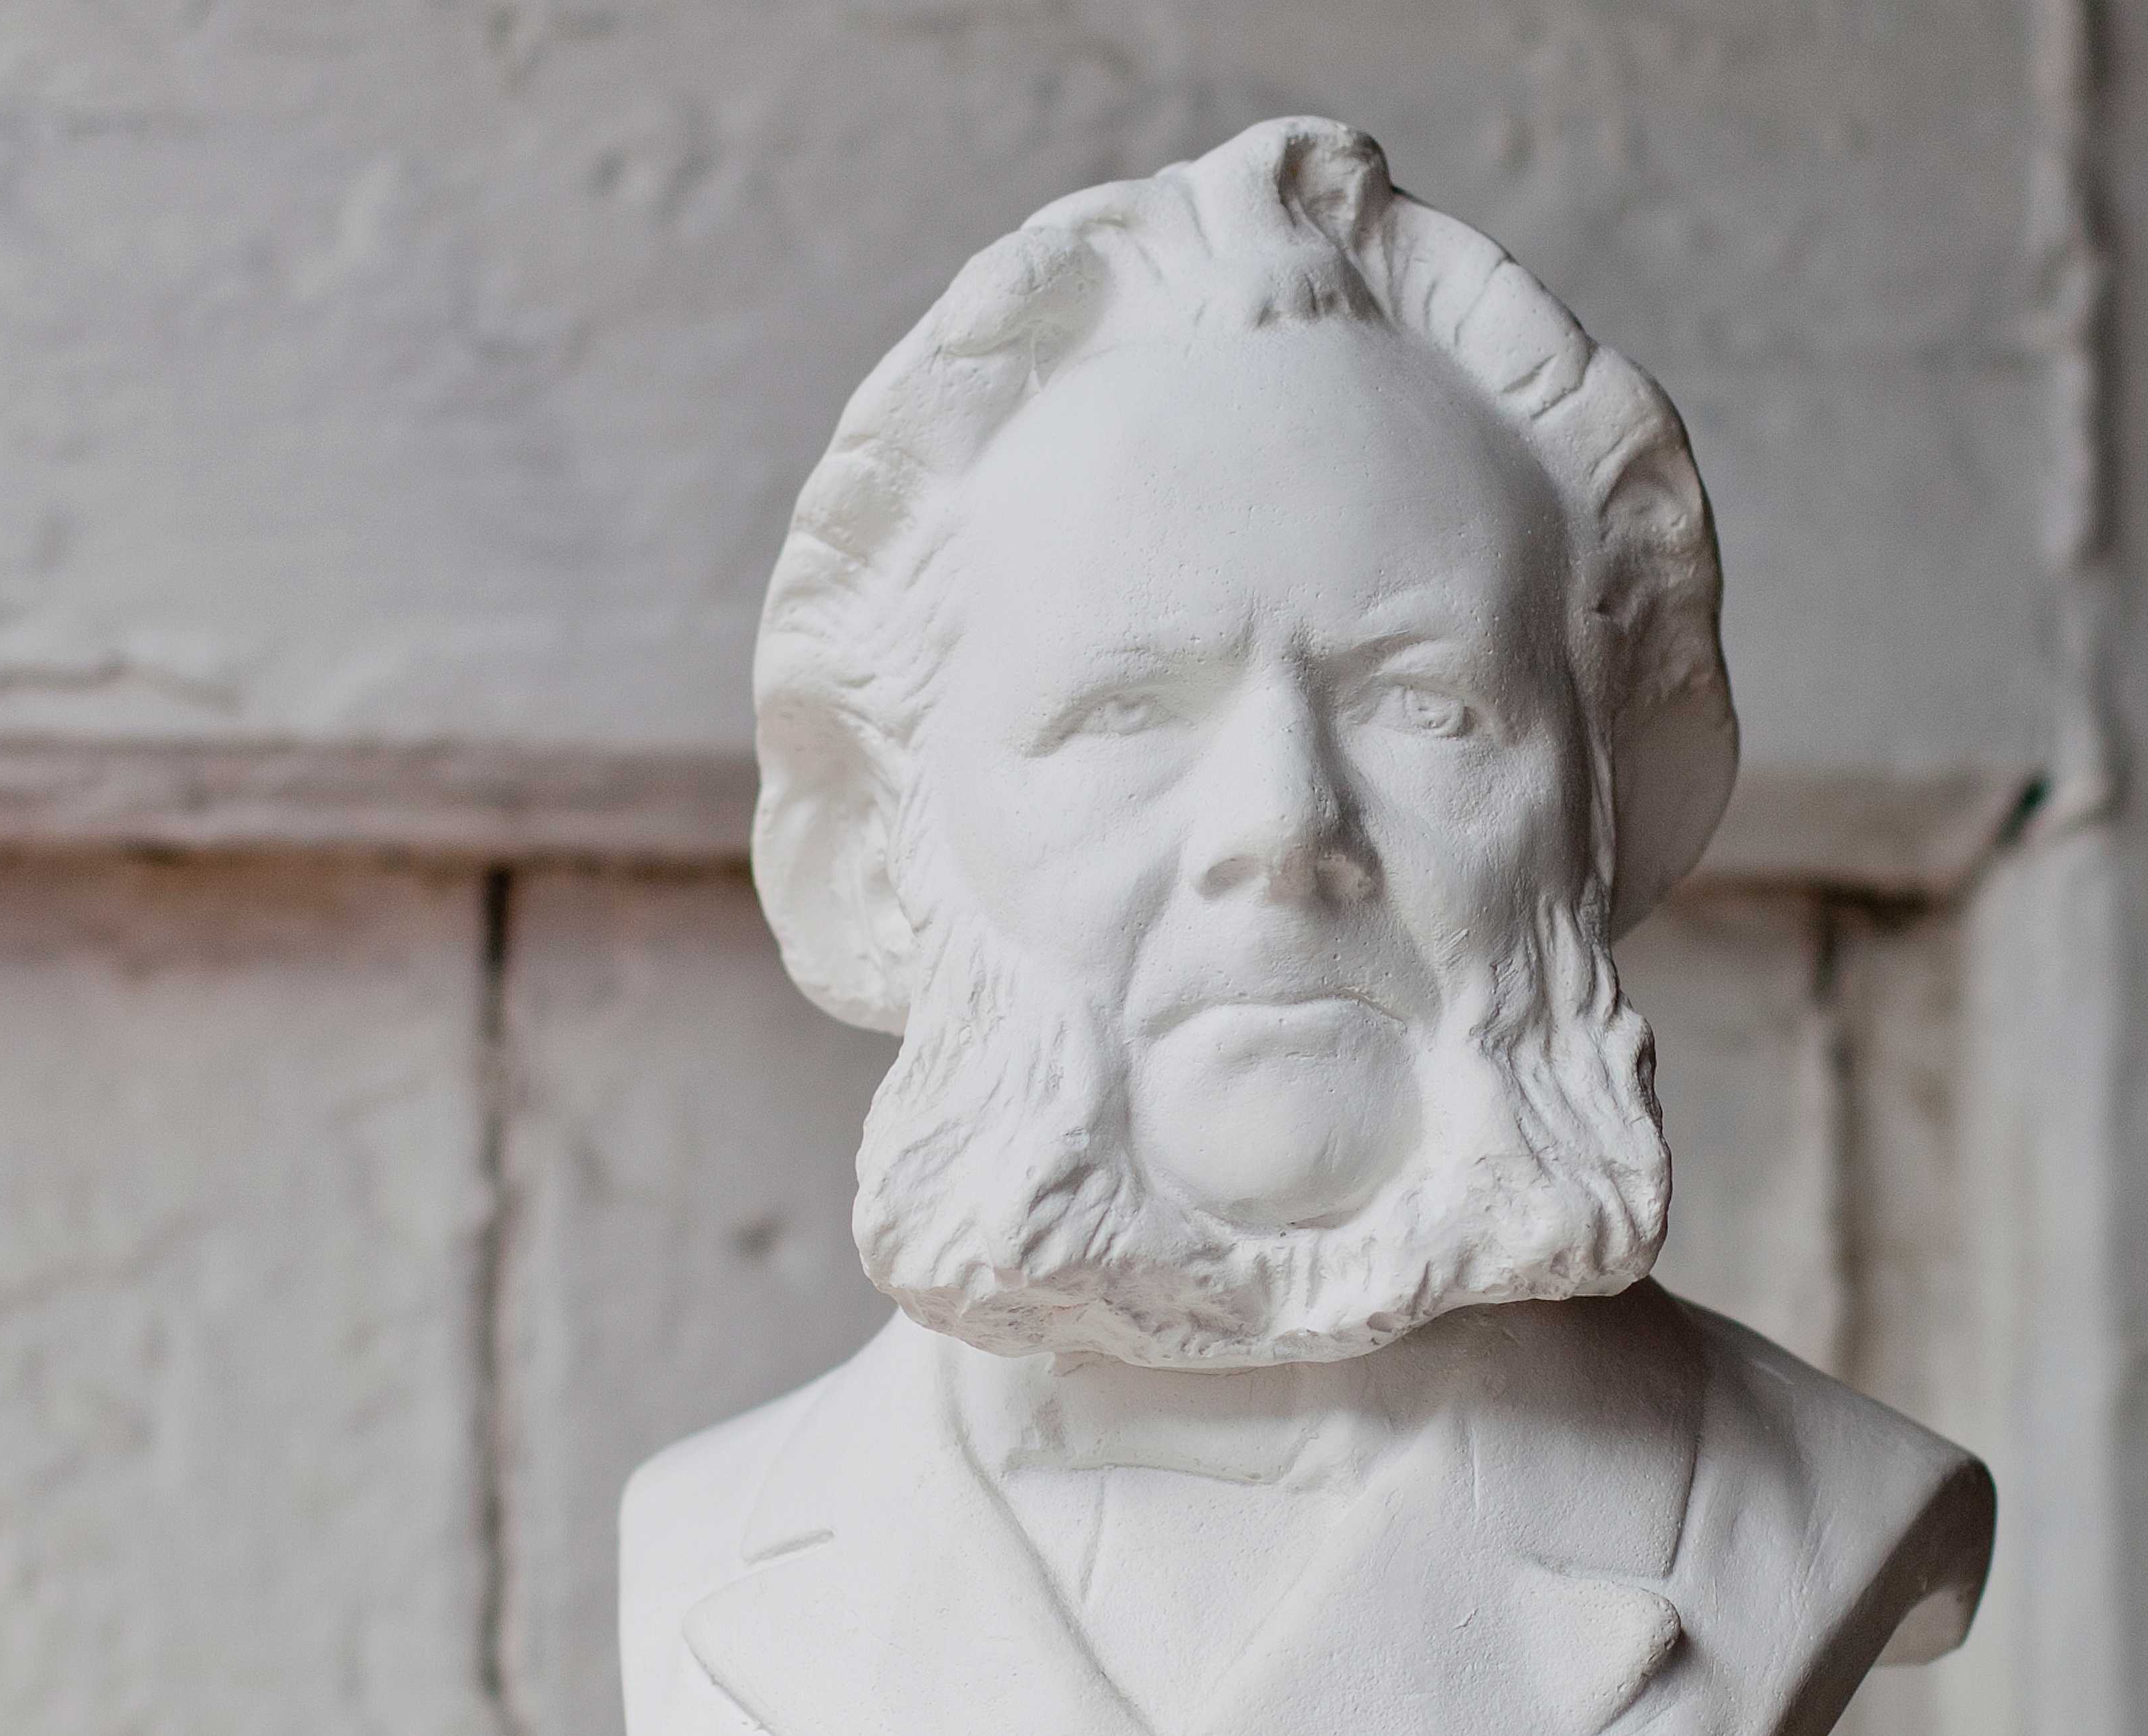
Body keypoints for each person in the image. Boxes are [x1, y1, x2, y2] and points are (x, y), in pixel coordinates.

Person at [621, 117, 1992, 1736]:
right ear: (887, 840)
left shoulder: (1808, 1502)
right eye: (1126, 710)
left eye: (1424, 701)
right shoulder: (713, 1537)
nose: (1284, 827)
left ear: (1598, 799)